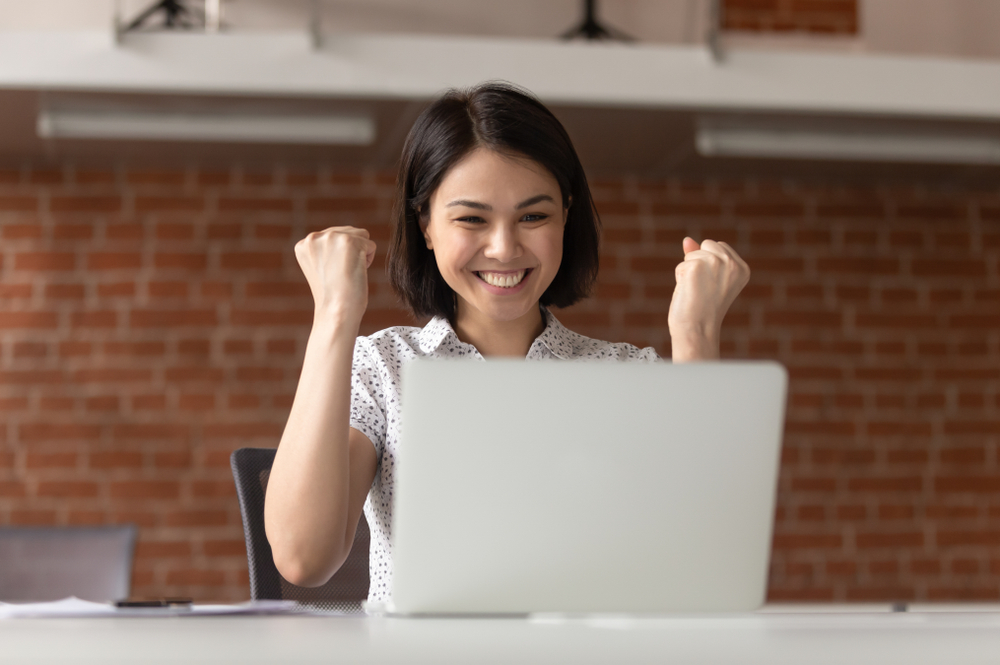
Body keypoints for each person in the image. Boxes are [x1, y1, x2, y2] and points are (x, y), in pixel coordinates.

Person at [263, 82, 750, 604]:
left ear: (566, 216)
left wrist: (696, 336)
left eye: (533, 216)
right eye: (472, 219)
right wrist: (335, 315)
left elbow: (708, 567)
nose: (503, 248)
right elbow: (304, 559)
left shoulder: (628, 375)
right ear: (425, 225)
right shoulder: (384, 367)